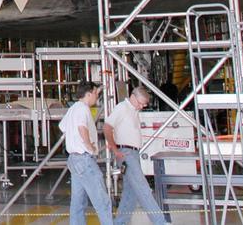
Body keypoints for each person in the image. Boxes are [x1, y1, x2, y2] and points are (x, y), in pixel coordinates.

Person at [103, 86, 167, 225]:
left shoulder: (133, 110)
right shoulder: (122, 108)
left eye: (144, 104)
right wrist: (115, 150)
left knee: (130, 193)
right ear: (133, 97)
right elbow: (107, 127)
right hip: (126, 153)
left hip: (132, 153)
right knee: (143, 188)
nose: (142, 106)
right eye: (141, 103)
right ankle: (160, 222)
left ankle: (120, 222)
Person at [59, 81, 113, 224]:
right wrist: (90, 147)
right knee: (102, 201)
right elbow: (82, 128)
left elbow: (62, 127)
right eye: (96, 94)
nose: (97, 97)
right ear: (88, 94)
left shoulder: (73, 109)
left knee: (78, 203)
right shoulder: (83, 109)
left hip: (74, 160)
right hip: (84, 160)